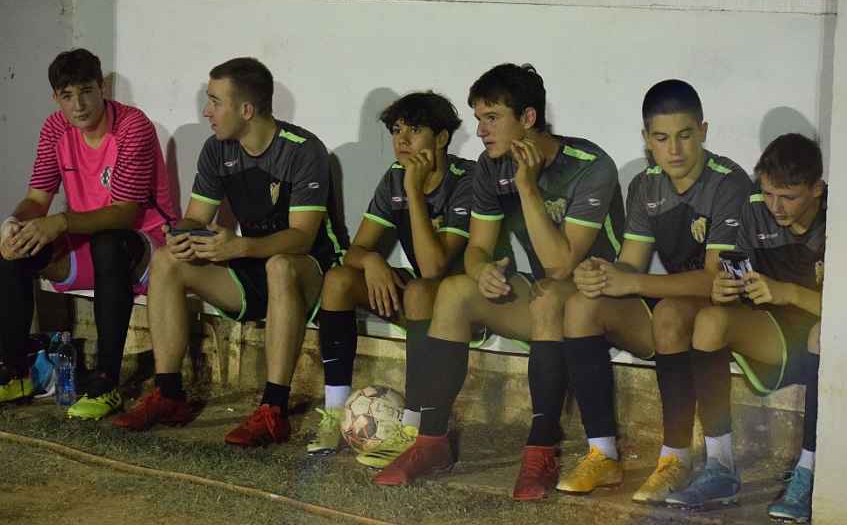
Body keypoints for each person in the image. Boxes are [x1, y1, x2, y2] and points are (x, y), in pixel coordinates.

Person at [373, 63, 625, 501]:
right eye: (479, 119)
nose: (481, 130)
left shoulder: (589, 165)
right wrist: (482, 272)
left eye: (492, 118)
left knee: (549, 294)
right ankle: (431, 442)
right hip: (550, 296)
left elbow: (562, 264)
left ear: (527, 118)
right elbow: (476, 249)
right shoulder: (491, 168)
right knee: (454, 291)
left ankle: (541, 451)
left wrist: (527, 187)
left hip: (604, 299)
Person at [112, 57, 346, 446]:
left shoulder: (303, 150)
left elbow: (303, 238)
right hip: (253, 262)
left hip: (310, 271)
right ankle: (169, 394)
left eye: (215, 102)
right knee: (167, 260)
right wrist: (180, 233)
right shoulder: (217, 149)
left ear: (246, 110)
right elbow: (196, 217)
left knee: (280, 266)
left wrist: (241, 246)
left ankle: (273, 410)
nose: (206, 111)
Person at [556, 79, 752, 503]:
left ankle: (675, 460)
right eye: (662, 139)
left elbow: (716, 280)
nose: (674, 150)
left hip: (728, 309)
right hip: (675, 310)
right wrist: (602, 273)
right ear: (647, 139)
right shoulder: (645, 185)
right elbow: (632, 262)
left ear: (703, 131)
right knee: (581, 305)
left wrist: (633, 282)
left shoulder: (728, 182)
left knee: (669, 312)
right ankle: (603, 454)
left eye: (685, 135)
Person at [0, 48, 177, 420]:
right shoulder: (55, 128)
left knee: (108, 243)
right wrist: (13, 223)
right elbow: (36, 199)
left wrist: (61, 222)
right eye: (67, 95)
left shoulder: (132, 126)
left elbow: (125, 214)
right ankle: (16, 371)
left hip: (145, 246)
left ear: (102, 88)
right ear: (56, 98)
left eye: (86, 92)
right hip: (87, 242)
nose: (78, 105)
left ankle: (106, 383)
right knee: (14, 248)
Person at [306, 91, 475, 468]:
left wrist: (414, 191)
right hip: (423, 300)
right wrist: (372, 261)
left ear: (441, 138)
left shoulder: (467, 179)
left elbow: (434, 268)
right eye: (397, 130)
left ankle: (411, 428)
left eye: (414, 130)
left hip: (467, 306)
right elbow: (356, 250)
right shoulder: (395, 178)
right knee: (338, 280)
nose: (402, 140)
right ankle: (334, 414)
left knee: (419, 288)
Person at [666, 133, 824, 521]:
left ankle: (809, 472)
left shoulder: (841, 218)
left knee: (823, 333)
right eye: (769, 193)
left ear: (817, 190)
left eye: (788, 197)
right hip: (772, 331)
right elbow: (734, 277)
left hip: (822, 332)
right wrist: (725, 289)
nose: (776, 207)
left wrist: (787, 292)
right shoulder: (754, 208)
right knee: (710, 320)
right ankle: (720, 466)